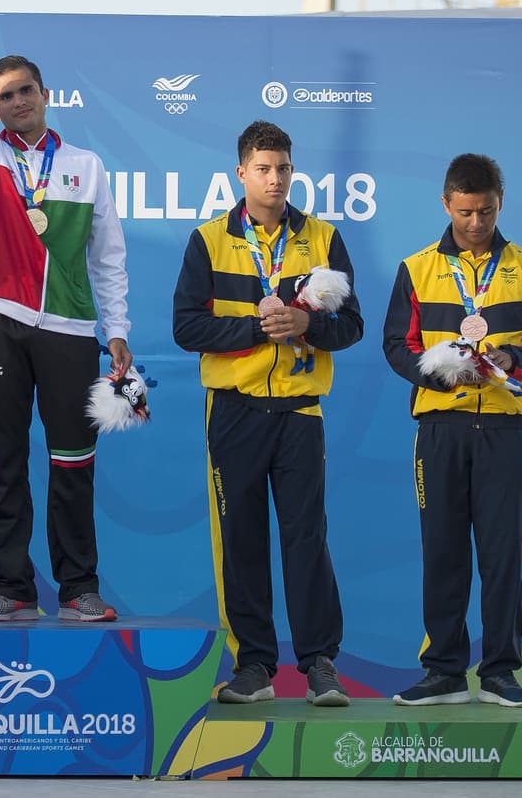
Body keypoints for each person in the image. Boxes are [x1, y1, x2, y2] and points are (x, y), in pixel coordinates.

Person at [0, 0, 131, 623]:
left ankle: (79, 585)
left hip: (71, 331)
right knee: (5, 458)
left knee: (74, 460)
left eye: (25, 91)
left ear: (45, 94)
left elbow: (108, 257)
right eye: (4, 96)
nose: (16, 101)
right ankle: (13, 587)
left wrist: (117, 333)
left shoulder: (85, 166)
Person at [172, 121, 361, 706]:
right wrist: (257, 328)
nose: (274, 179)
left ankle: (319, 663)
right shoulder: (209, 239)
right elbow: (186, 327)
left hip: (301, 412)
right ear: (241, 173)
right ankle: (253, 665)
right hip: (234, 410)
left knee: (308, 536)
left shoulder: (324, 237)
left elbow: (351, 326)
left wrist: (310, 324)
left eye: (282, 168)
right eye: (263, 168)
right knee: (241, 539)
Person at [382, 153, 522, 708]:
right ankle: (442, 671)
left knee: (502, 551)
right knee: (442, 550)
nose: (476, 224)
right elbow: (397, 345)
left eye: (485, 211)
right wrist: (437, 375)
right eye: (465, 212)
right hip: (440, 427)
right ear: (446, 203)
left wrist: (513, 356)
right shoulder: (416, 269)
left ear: (499, 203)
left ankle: (501, 673)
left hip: (505, 431)